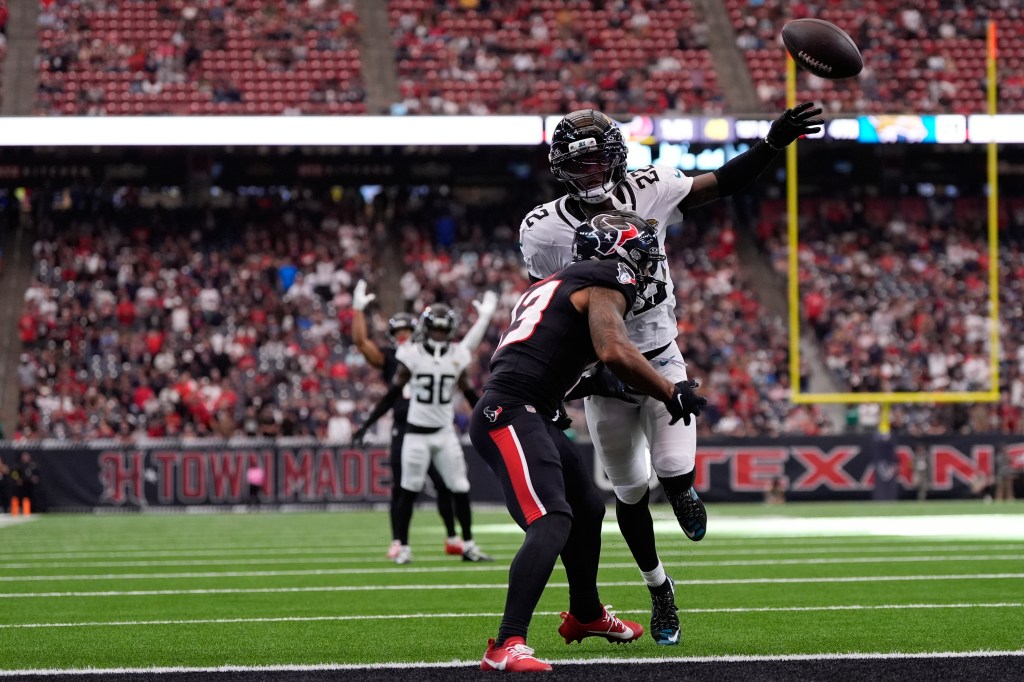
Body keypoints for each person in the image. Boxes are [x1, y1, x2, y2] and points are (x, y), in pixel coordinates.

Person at [518, 104, 821, 645]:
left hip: (659, 354)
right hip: (598, 374)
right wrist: (583, 382)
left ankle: (681, 490)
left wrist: (772, 144)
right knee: (630, 492)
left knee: (675, 466)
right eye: (578, 165)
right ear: (561, 167)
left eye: (598, 162)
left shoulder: (650, 189)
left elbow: (722, 182)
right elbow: (555, 317)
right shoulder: (544, 231)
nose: (590, 174)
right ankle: (660, 588)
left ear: (618, 160)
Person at [472, 210, 708, 671]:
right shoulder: (608, 276)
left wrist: (599, 382)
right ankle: (507, 643)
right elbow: (613, 349)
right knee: (552, 519)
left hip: (530, 409)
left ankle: (585, 614)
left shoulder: (555, 283)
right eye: (639, 253)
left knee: (587, 507)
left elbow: (552, 355)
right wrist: (670, 391)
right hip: (511, 413)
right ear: (616, 254)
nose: (644, 264)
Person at [351, 279, 498, 559]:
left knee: (459, 487)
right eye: (436, 329)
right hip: (415, 435)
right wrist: (368, 424)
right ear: (427, 329)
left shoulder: (456, 355)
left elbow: (469, 394)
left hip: (444, 433)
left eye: (445, 330)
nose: (441, 335)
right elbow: (392, 394)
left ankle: (467, 544)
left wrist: (488, 421)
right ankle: (403, 546)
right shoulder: (410, 355)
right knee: (408, 489)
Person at [12, 451, 40, 516]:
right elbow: (14, 473)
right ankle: (20, 509)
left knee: (33, 497)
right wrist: (17, 479)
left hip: (31, 486)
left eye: (27, 456)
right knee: (21, 497)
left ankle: (33, 509)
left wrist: (35, 478)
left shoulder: (33, 465)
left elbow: (37, 474)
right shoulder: (18, 465)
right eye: (24, 456)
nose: (26, 458)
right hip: (22, 486)